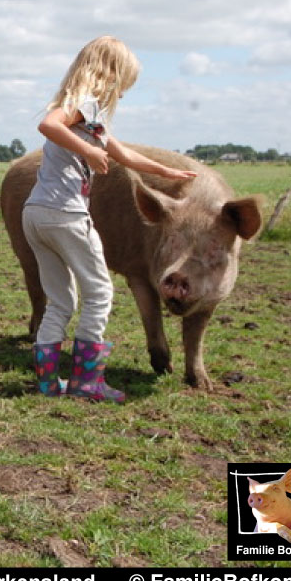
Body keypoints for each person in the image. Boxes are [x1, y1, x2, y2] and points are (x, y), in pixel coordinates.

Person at [23, 36, 197, 403]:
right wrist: (88, 150)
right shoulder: (82, 107)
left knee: (59, 301)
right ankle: (87, 382)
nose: (124, 93)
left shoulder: (93, 120)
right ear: (110, 75)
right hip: (64, 214)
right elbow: (48, 125)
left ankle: (47, 383)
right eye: (124, 84)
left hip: (35, 213)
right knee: (100, 292)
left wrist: (168, 170)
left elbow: (126, 156)